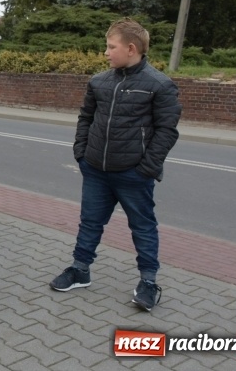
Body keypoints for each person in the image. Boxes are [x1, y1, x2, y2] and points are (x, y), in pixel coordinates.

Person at [49, 18, 182, 313]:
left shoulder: (159, 85)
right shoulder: (99, 81)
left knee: (143, 227)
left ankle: (148, 283)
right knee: (90, 221)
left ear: (131, 48)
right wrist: (82, 154)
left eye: (111, 47)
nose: (106, 53)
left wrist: (146, 168)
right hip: (96, 169)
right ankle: (80, 270)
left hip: (134, 174)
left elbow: (167, 131)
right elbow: (86, 118)